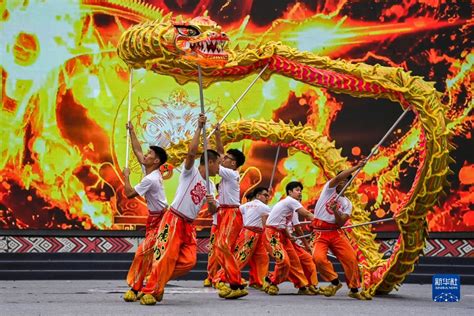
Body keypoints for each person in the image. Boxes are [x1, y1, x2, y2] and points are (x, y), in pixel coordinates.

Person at [139, 114, 220, 305]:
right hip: (173, 219)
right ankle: (151, 290)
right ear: (209, 163)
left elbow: (214, 210)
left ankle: (154, 279)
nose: (219, 168)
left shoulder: (211, 185)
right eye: (217, 163)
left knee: (188, 262)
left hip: (188, 226)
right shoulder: (189, 172)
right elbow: (191, 153)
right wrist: (199, 128)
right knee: (166, 256)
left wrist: (211, 203)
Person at [312, 159, 372, 300]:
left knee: (351, 258)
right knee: (318, 258)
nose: (341, 182)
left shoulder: (347, 203)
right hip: (320, 233)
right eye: (340, 179)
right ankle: (334, 282)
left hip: (336, 233)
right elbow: (338, 177)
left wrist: (335, 212)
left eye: (345, 181)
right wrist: (357, 166)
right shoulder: (329, 190)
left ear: (348, 184)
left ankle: (354, 288)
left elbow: (340, 223)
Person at [122, 122, 168, 302]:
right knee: (148, 254)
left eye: (150, 154)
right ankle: (148, 285)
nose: (146, 155)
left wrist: (126, 177)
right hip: (154, 218)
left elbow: (129, 194)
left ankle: (136, 287)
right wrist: (132, 131)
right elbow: (137, 151)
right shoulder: (149, 170)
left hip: (162, 220)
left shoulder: (150, 179)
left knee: (142, 252)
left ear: (156, 161)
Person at [212, 124, 247, 299]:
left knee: (224, 246)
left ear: (233, 163)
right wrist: (218, 135)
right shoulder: (228, 172)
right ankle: (232, 281)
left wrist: (203, 150)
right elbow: (219, 154)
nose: (222, 159)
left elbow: (214, 161)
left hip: (232, 213)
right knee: (219, 248)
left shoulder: (232, 174)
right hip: (223, 213)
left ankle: (236, 283)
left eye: (226, 158)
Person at [264, 181, 316, 295]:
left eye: (300, 190)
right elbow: (307, 214)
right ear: (290, 192)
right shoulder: (290, 201)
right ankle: (273, 282)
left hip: (283, 234)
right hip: (272, 234)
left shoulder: (291, 208)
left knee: (295, 261)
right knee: (284, 260)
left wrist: (289, 236)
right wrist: (321, 222)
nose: (300, 193)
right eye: (297, 190)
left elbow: (284, 224)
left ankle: (302, 286)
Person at [216, 187, 271, 290]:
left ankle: (258, 281)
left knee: (262, 258)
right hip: (251, 234)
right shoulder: (264, 207)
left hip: (251, 233)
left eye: (268, 195)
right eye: (266, 195)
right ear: (258, 196)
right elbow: (266, 223)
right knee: (240, 259)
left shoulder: (244, 206)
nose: (267, 197)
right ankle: (219, 278)